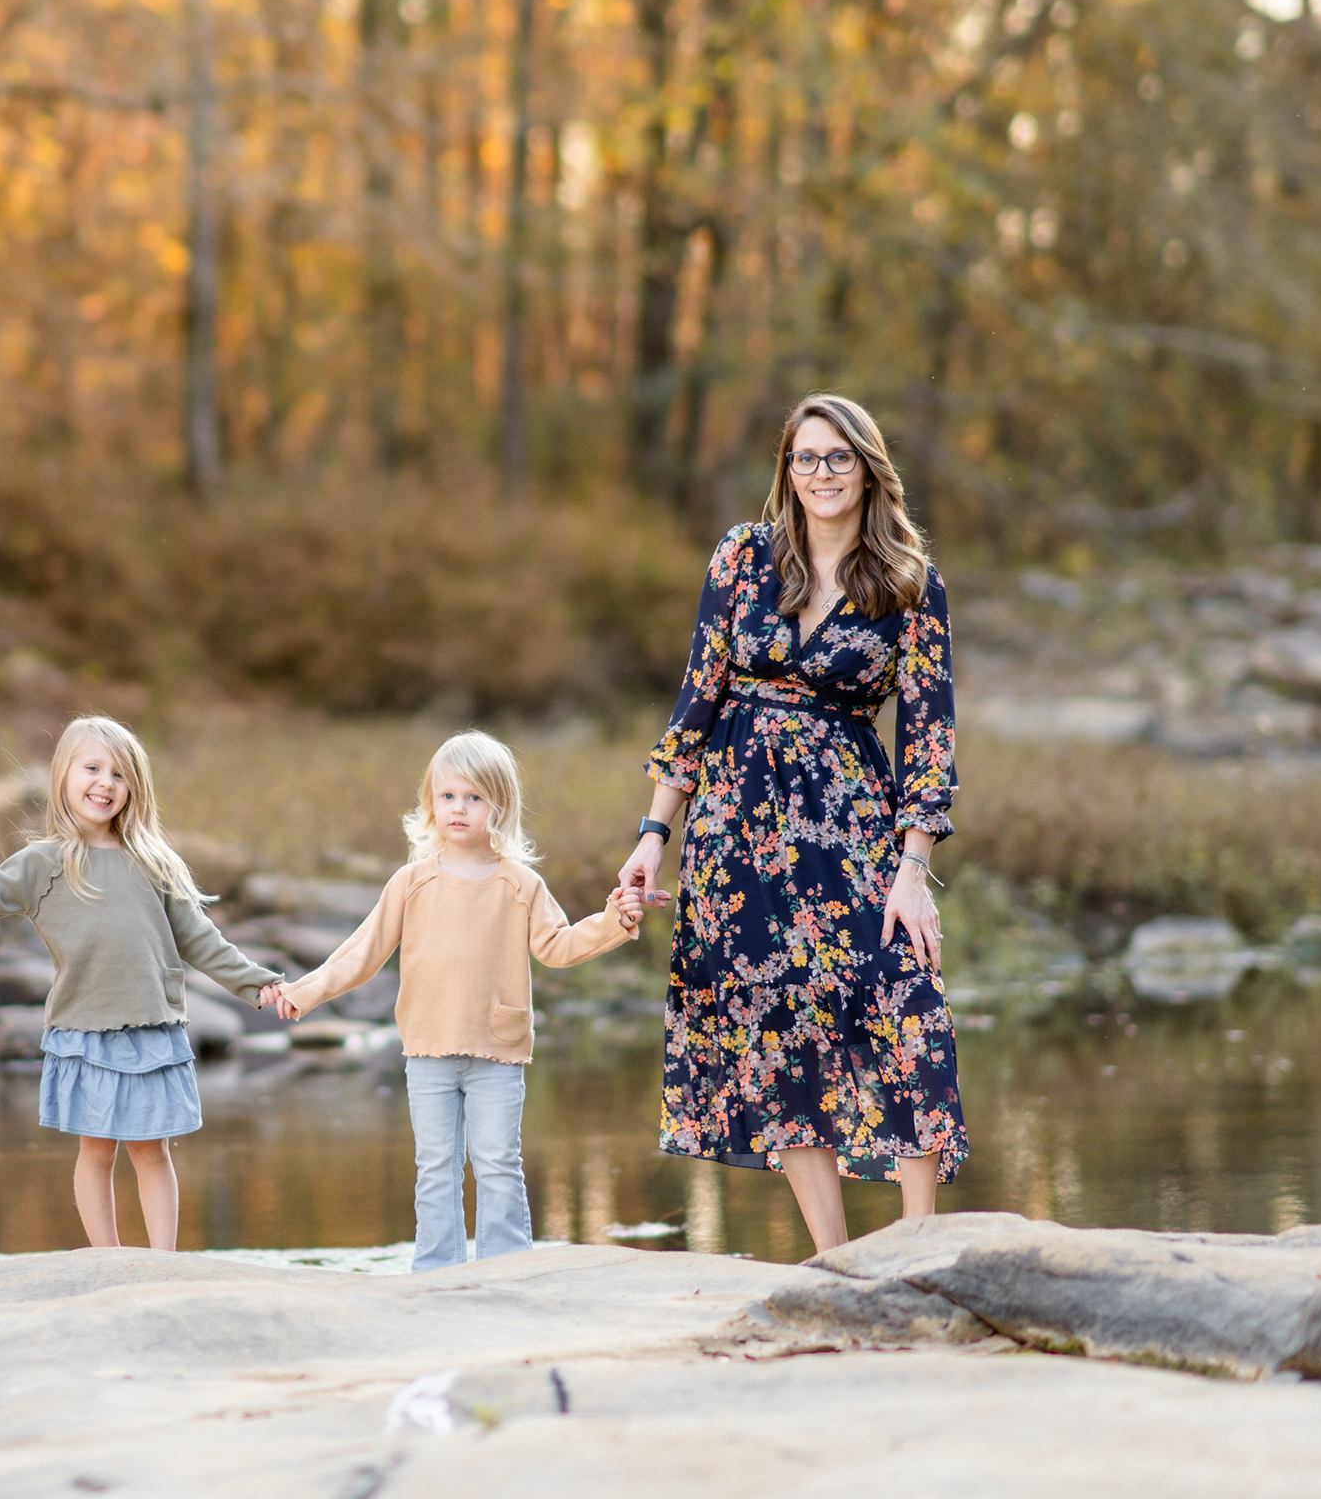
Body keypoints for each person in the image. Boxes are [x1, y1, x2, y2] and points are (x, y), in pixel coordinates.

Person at [607, 394, 967, 1256]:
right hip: (738, 831)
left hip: (851, 829)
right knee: (778, 1035)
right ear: (787, 470)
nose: (821, 475)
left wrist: (913, 869)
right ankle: (835, 1261)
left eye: (839, 458)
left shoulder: (910, 581)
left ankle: (919, 1252)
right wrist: (653, 835)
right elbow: (696, 701)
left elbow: (930, 736)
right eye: (806, 459)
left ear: (869, 468)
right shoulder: (742, 558)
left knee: (905, 1005)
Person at [0, 716, 282, 1251]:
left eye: (119, 774)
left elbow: (202, 941)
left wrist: (259, 985)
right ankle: (105, 1258)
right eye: (92, 768)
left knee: (152, 1150)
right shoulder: (45, 862)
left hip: (153, 1025)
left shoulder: (154, 862)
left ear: (135, 788)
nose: (105, 783)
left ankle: (163, 1261)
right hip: (85, 1027)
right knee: (98, 1150)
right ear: (63, 775)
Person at [276, 731, 634, 1269]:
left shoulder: (521, 884)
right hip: (428, 1049)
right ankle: (437, 1273)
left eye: (474, 797)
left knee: (497, 1163)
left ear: (500, 807)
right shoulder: (411, 882)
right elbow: (363, 951)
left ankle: (506, 1268)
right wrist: (303, 992)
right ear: (430, 805)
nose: (460, 809)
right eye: (448, 797)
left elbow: (557, 947)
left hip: (498, 1049)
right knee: (436, 1166)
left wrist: (614, 920)